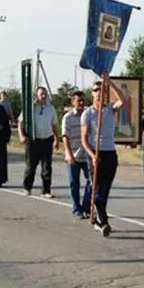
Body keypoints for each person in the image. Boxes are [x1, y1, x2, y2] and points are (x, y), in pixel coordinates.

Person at [81, 78, 124, 236]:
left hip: (110, 153)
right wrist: (92, 155)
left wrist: (110, 83)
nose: (99, 93)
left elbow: (122, 99)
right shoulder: (88, 114)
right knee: (97, 190)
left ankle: (99, 218)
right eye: (96, 90)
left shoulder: (110, 109)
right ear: (92, 94)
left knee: (105, 190)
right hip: (96, 153)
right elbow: (84, 138)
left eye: (102, 90)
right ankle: (103, 221)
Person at [18, 86, 60, 197]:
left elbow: (54, 125)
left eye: (45, 94)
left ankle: (46, 190)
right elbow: (20, 123)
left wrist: (57, 139)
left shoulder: (50, 108)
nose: (44, 96)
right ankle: (27, 187)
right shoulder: (30, 108)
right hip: (34, 141)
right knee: (31, 166)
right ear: (37, 95)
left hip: (47, 139)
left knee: (47, 167)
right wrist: (22, 136)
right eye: (41, 94)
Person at [62, 90, 91, 219]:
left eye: (83, 100)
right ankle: (76, 208)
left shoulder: (88, 115)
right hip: (73, 155)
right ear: (73, 102)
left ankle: (86, 207)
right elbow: (65, 137)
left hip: (87, 155)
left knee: (92, 181)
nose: (81, 103)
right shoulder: (67, 118)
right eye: (78, 101)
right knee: (74, 183)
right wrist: (68, 154)